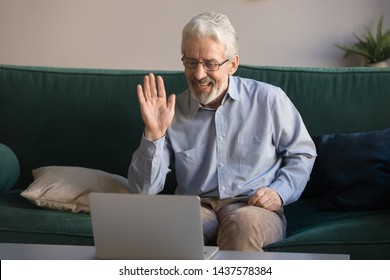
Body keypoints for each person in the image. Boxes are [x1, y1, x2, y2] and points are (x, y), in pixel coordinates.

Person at [128, 12, 316, 251]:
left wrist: (279, 192)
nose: (198, 74)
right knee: (176, 228)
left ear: (233, 65)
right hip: (195, 208)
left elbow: (303, 154)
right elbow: (142, 192)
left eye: (210, 64)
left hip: (252, 208)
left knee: (241, 225)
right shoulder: (170, 112)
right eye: (191, 62)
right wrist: (154, 134)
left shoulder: (269, 100)